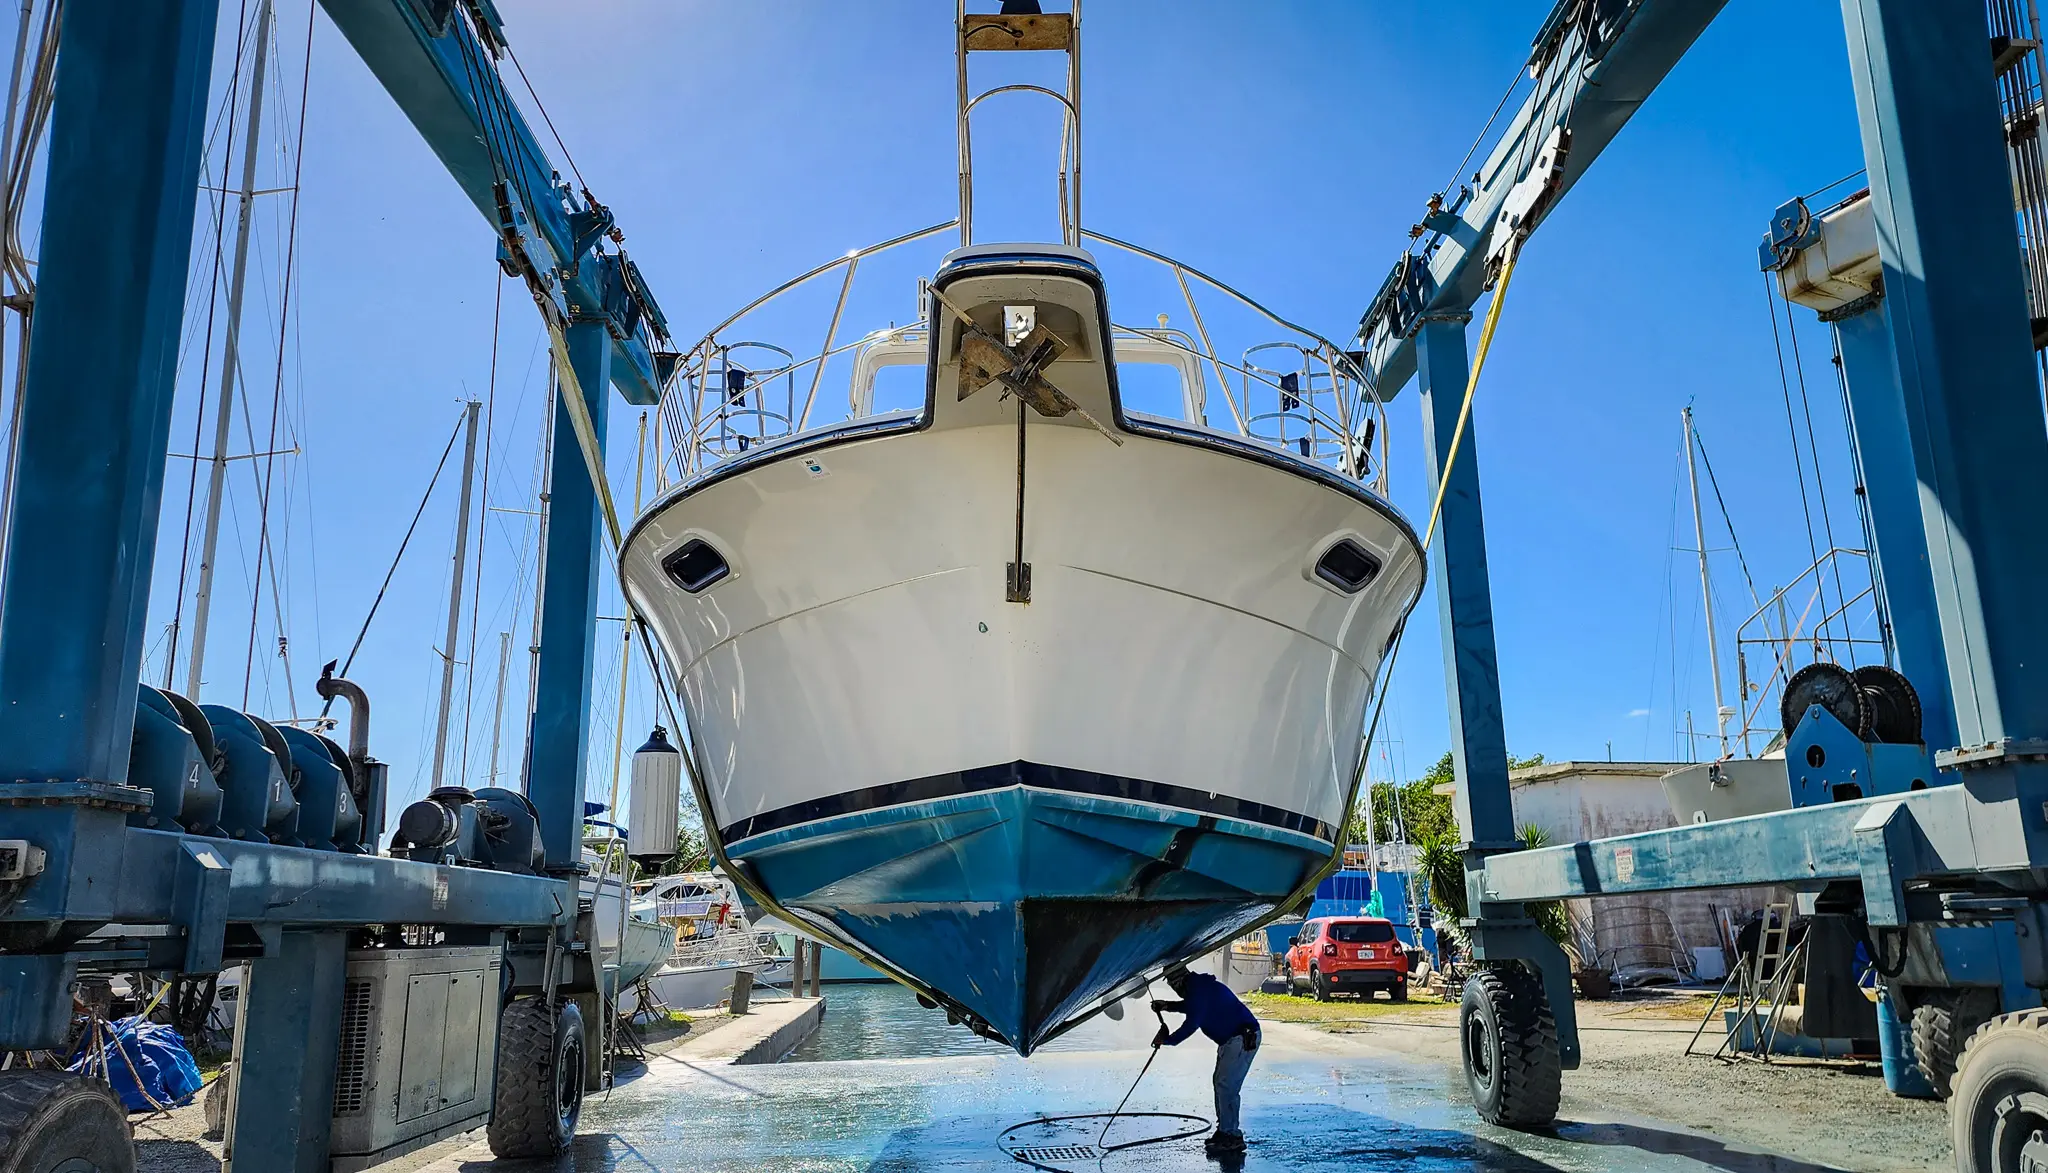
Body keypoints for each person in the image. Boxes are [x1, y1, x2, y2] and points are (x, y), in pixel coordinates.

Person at [1151, 965, 1260, 1155]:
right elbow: (1192, 1006)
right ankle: (1225, 1130)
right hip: (1233, 1039)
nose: (1173, 988)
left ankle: (1231, 1136)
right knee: (1222, 1084)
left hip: (1241, 1038)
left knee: (1226, 1086)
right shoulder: (1199, 988)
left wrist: (1168, 1040)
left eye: (1172, 984)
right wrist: (1167, 1006)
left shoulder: (1198, 991)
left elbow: (1191, 1023)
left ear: (1178, 982)